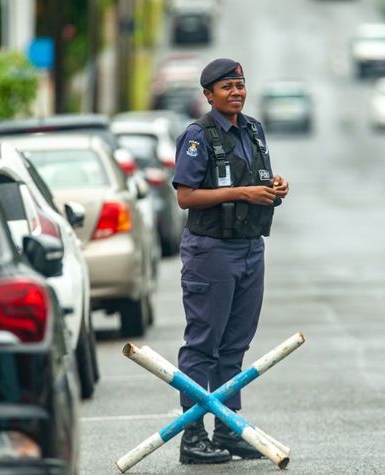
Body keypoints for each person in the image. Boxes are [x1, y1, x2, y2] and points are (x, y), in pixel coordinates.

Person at [171, 58, 289, 464]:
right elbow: (185, 197)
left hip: (249, 247)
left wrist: (275, 187)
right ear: (208, 95)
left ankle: (227, 427)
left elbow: (256, 179)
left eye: (240, 85)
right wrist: (242, 193)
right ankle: (192, 435)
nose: (236, 92)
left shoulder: (254, 130)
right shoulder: (197, 136)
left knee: (235, 344)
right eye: (226, 87)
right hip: (211, 251)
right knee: (204, 343)